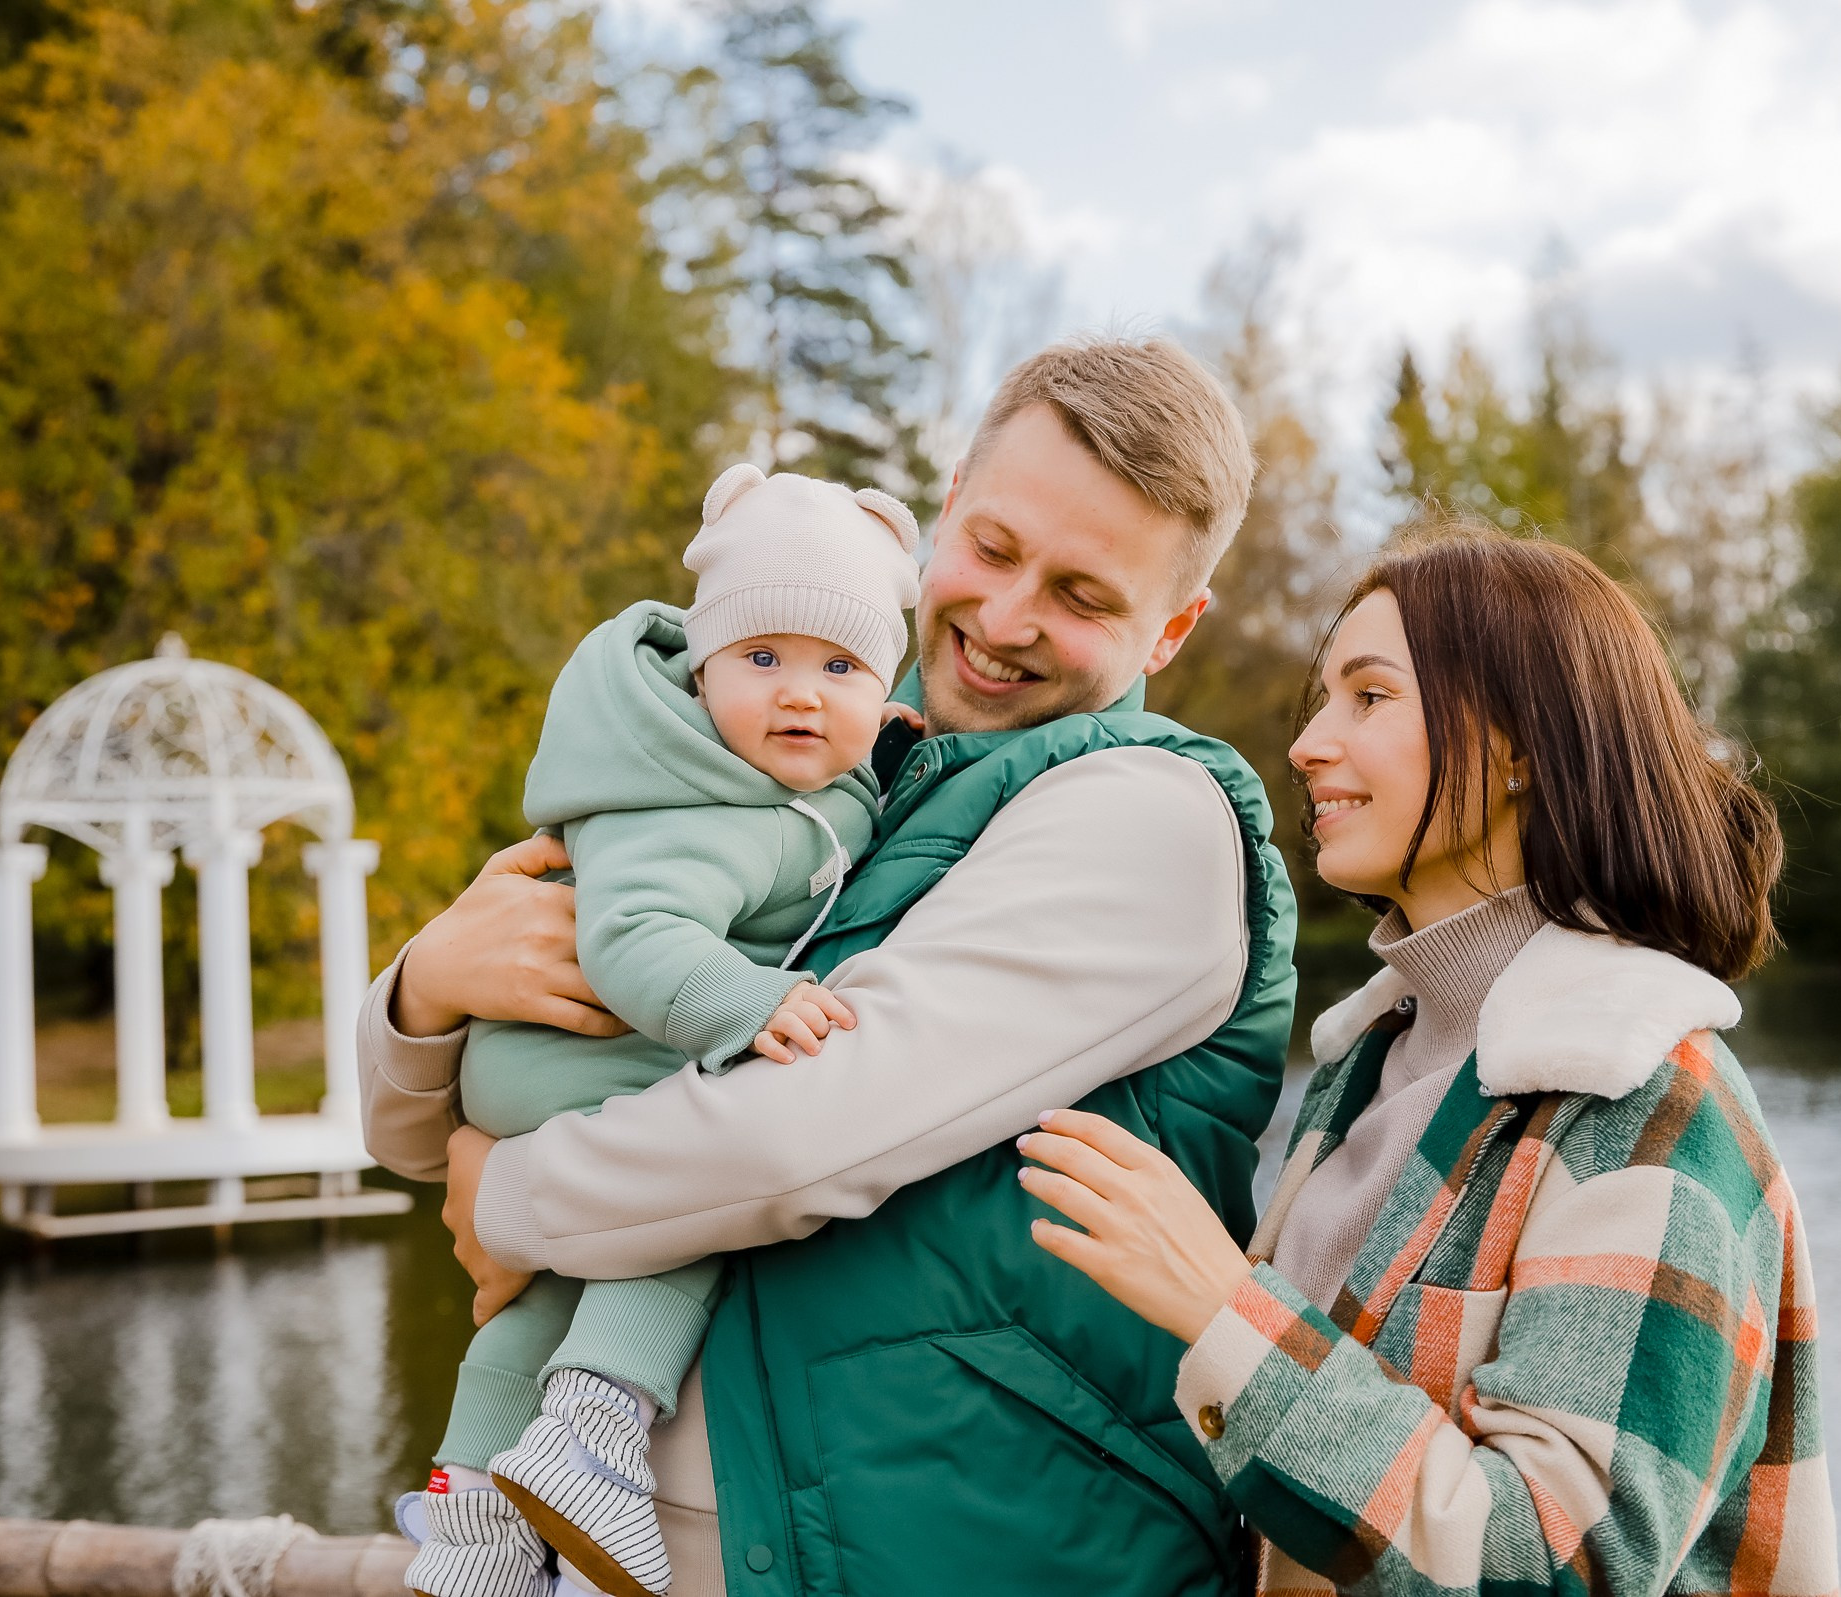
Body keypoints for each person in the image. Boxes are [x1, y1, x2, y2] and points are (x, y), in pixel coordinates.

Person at [359, 335, 1300, 1596]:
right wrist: (427, 992)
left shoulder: (1151, 818)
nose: (1007, 620)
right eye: (995, 548)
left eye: (1083, 595)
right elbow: (422, 1126)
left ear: (1173, 628)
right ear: (945, 499)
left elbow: (793, 1138)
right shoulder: (815, 751)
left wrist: (505, 1197)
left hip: (981, 1556)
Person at [1019, 527, 1840, 1596]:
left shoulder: (1646, 1102)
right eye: (1322, 700)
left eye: (1368, 697)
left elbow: (1559, 1568)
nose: (1309, 743)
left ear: (1520, 749)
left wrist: (1229, 1311)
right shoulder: (1375, 1062)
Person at [403, 464, 922, 1597]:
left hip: (554, 1070)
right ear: (703, 667)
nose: (800, 694)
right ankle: (593, 1432)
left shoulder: (768, 784)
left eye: (842, 667)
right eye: (763, 659)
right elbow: (632, 939)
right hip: (592, 1055)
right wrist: (754, 1005)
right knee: (694, 1195)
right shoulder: (695, 798)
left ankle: (475, 1517)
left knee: (536, 1298)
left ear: (886, 686)